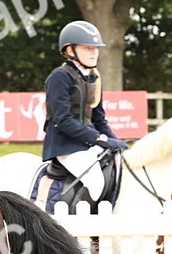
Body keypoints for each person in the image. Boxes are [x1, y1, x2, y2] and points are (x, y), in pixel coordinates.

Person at [41, 20, 127, 202]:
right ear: (70, 50)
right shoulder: (59, 77)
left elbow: (99, 119)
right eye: (87, 48)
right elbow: (63, 120)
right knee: (96, 181)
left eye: (95, 48)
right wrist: (99, 139)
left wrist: (115, 141)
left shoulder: (94, 77)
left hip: (87, 142)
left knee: (121, 165)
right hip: (65, 145)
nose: (94, 53)